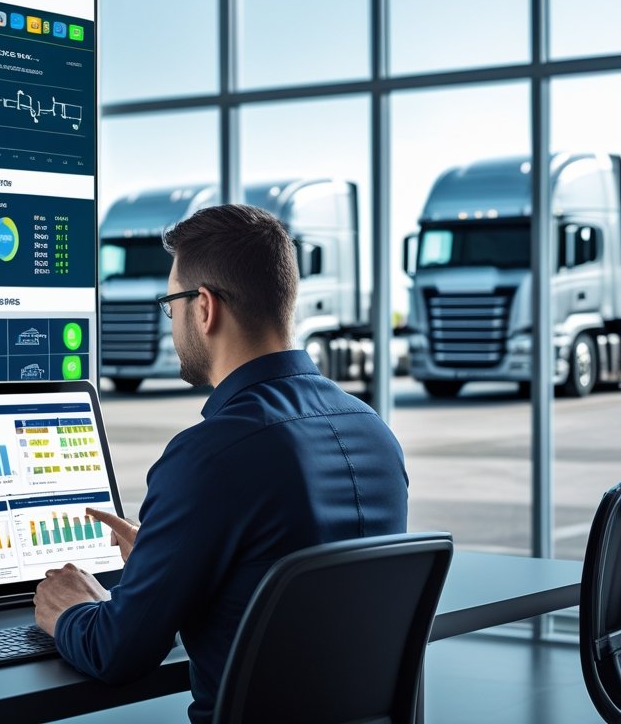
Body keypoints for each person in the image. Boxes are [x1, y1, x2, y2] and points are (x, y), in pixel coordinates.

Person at [34, 204, 409, 724]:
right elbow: (297, 581)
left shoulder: (208, 457)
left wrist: (69, 607)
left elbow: (116, 653)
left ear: (204, 308)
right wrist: (167, 555)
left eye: (171, 303)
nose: (173, 321)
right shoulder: (374, 432)